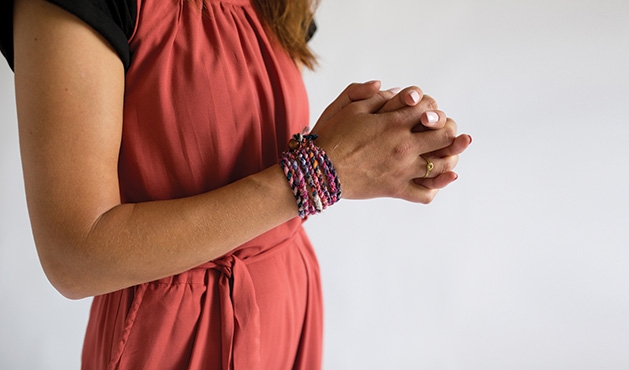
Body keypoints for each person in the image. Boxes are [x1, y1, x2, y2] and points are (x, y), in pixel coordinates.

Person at [0, 0, 471, 368]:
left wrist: (371, 145)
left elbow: (237, 150)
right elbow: (74, 255)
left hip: (286, 307)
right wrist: (324, 171)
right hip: (171, 338)